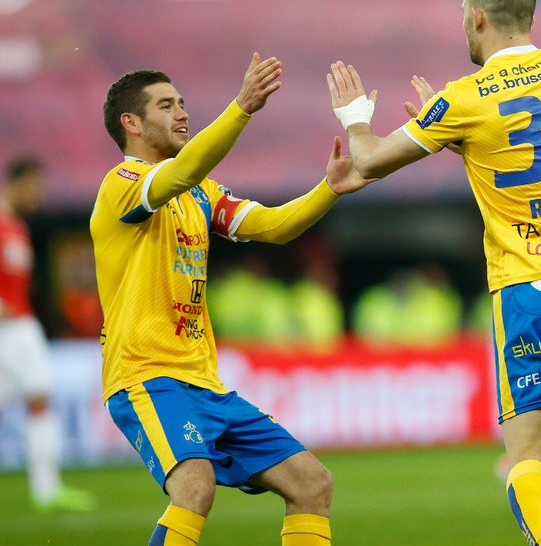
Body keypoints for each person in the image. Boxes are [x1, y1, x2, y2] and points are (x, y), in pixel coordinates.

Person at [327, 0, 541, 546]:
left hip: (534, 287)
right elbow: (522, 151)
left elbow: (365, 162)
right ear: (532, 14)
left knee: (527, 460)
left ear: (477, 17)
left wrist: (355, 117)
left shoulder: (466, 98)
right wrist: (457, 136)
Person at [90, 53, 372, 546]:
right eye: (165, 106)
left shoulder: (199, 193)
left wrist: (329, 190)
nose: (181, 113)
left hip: (207, 384)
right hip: (147, 376)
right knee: (194, 487)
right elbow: (178, 174)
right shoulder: (123, 185)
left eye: (182, 102)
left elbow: (275, 226)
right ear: (130, 123)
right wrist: (241, 107)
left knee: (312, 484)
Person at [0, 156, 97, 513]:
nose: (39, 195)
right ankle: (46, 489)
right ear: (19, 181)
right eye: (36, 186)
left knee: (40, 400)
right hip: (6, 331)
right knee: (36, 400)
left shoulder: (15, 225)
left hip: (20, 329)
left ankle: (46, 490)